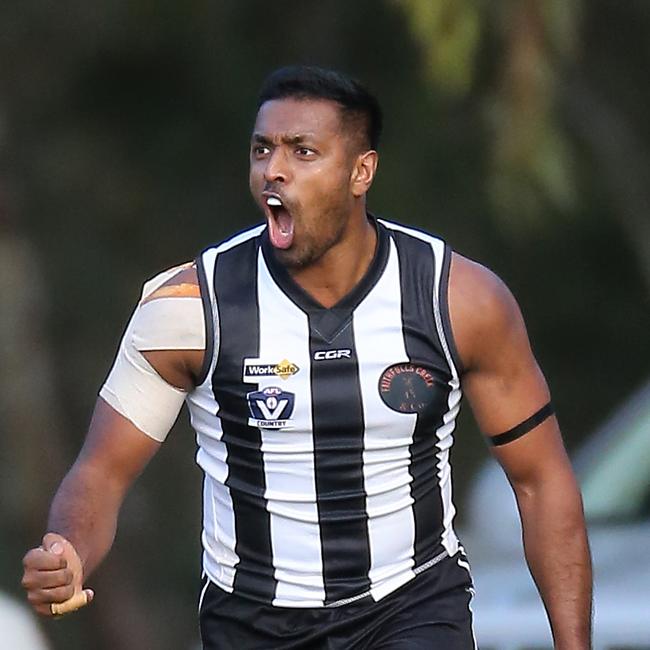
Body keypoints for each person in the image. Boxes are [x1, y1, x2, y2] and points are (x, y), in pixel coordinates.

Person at [21, 65, 592, 649]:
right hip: (253, 622)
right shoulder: (190, 307)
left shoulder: (458, 300)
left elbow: (541, 481)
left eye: (303, 151)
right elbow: (102, 471)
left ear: (360, 172)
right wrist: (68, 548)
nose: (274, 170)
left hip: (412, 608)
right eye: (262, 149)